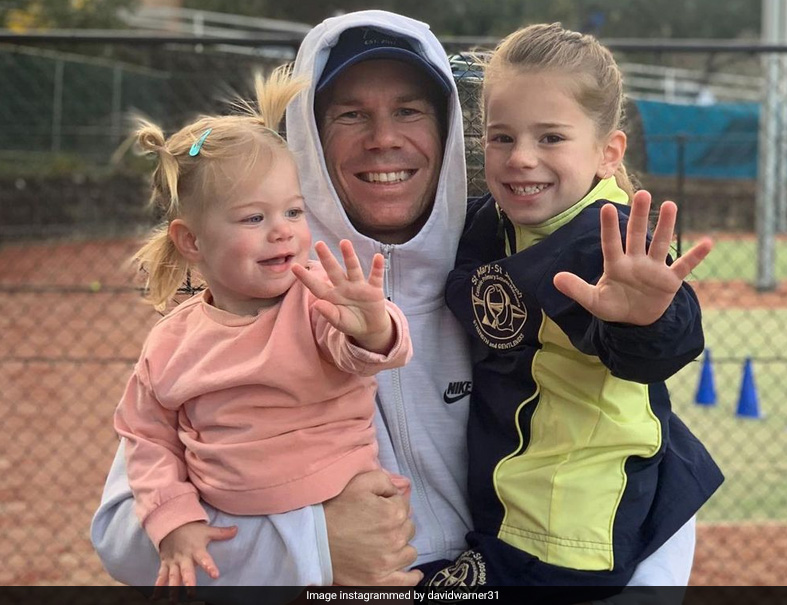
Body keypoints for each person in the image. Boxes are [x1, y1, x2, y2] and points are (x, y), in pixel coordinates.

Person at [92, 10, 704, 588]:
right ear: (309, 138)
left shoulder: (509, 259)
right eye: (350, 115)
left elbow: (637, 451)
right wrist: (313, 546)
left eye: (409, 110)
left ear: (446, 130)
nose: (383, 138)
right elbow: (124, 536)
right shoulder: (257, 295)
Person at [422, 23, 723, 593]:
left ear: (608, 153)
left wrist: (644, 319)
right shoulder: (491, 221)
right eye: (503, 137)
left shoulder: (604, 243)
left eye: (551, 138)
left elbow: (653, 351)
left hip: (566, 531)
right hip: (512, 513)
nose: (521, 158)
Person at [113, 65, 415, 588]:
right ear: (191, 241)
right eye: (254, 218)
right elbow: (145, 436)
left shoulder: (314, 298)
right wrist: (173, 520)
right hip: (244, 533)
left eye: (293, 212)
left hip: (355, 514)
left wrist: (372, 327)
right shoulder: (170, 342)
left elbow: (361, 351)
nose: (282, 232)